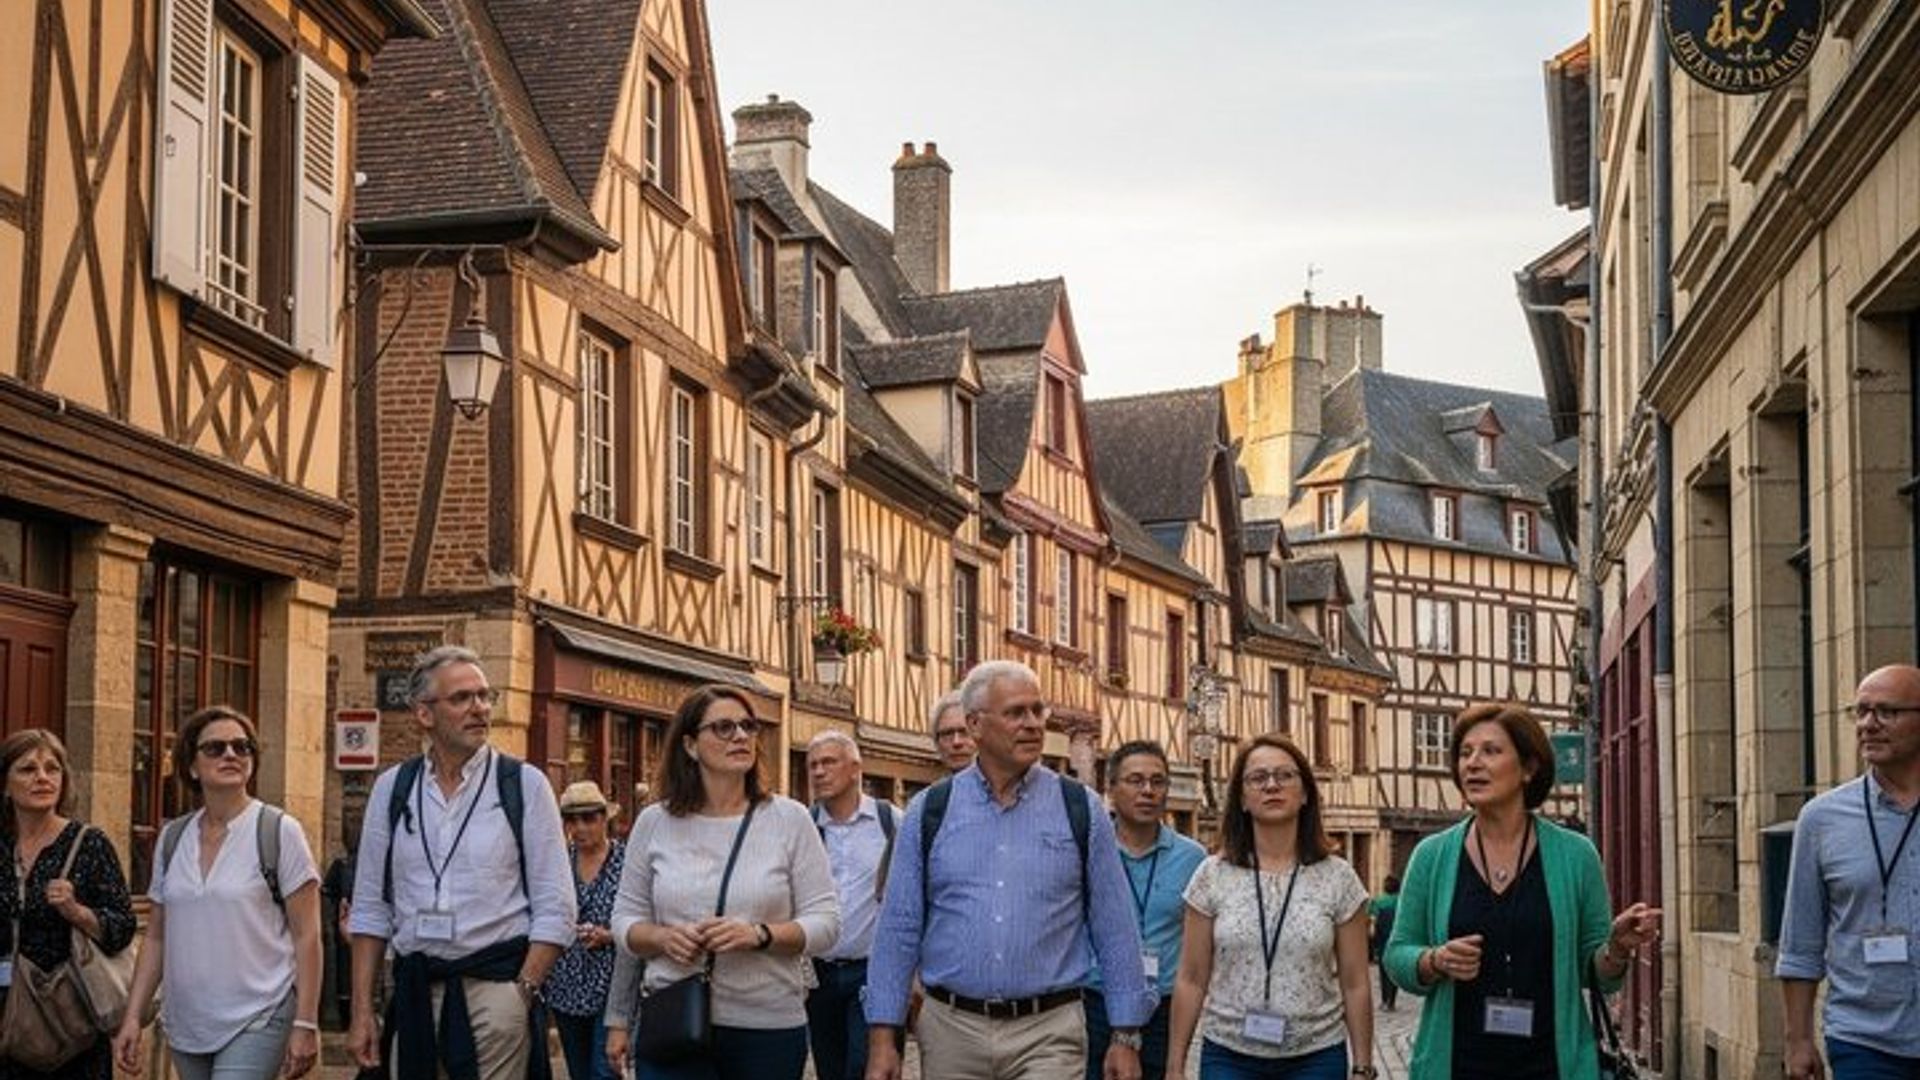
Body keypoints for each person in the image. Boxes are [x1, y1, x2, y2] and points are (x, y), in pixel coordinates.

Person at [864, 659, 1155, 1080]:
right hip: (951, 1031)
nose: (1033, 724)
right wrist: (882, 1040)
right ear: (975, 724)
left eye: (1038, 711)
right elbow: (898, 928)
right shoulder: (929, 811)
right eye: (1016, 713)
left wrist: (1125, 1036)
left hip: (1049, 1031)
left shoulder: (1080, 808)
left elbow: (1115, 927)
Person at [1384, 703, 1661, 1080]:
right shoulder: (1431, 856)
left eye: (1491, 751)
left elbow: (1599, 976)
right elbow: (1397, 956)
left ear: (1529, 768)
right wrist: (1434, 960)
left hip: (1552, 1065)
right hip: (1457, 1065)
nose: (1472, 763)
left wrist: (1617, 947)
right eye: (1465, 753)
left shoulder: (1576, 856)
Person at [346, 645, 578, 1079]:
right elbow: (370, 907)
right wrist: (362, 1011)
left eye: (484, 696)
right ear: (424, 714)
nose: (479, 709)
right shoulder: (392, 788)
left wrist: (521, 993)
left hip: (495, 992)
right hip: (414, 990)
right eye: (461, 698)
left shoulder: (523, 785)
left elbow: (557, 906)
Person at [611, 685, 839, 1080]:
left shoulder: (790, 819)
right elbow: (624, 919)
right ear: (690, 745)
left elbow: (827, 923)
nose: (740, 736)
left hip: (767, 1029)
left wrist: (759, 935)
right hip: (675, 1019)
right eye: (723, 727)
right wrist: (663, 939)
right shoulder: (655, 822)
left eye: (747, 727)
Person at [112, 705, 325, 1080]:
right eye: (215, 748)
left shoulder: (278, 831)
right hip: (187, 1020)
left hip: (260, 1012)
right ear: (192, 766)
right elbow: (158, 938)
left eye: (241, 747)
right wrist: (133, 1016)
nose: (230, 754)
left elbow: (308, 935)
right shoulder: (172, 838)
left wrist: (306, 1023)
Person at [1165, 734, 1374, 1080]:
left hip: (1315, 1055)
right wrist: (1175, 1067)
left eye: (1285, 776)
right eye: (1258, 778)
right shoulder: (1212, 875)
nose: (1272, 785)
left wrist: (1364, 1066)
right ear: (1243, 799)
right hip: (1229, 1054)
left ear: (1305, 793)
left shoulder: (1338, 878)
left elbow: (1355, 981)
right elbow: (1191, 977)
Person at [1778, 663, 1920, 1080]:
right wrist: (1798, 1040)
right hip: (1864, 1041)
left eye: (1886, 712)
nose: (1868, 725)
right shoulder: (1821, 819)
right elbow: (1801, 941)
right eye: (1860, 712)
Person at [0, 728, 137, 1080]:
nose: (42, 778)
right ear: (6, 783)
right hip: (4, 1021)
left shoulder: (88, 844)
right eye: (28, 769)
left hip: (69, 1023)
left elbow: (122, 927)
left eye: (52, 768)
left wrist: (77, 912)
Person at [1085, 741, 1203, 1080]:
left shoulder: (1192, 859)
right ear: (1110, 789)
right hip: (1095, 1004)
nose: (1148, 791)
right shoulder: (1086, 852)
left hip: (1165, 1011)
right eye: (1135, 781)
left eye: (1158, 781)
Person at [804, 731, 898, 1080]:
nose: (818, 771)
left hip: (872, 971)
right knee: (829, 1067)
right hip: (819, 974)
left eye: (829, 762)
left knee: (865, 1066)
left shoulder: (891, 823)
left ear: (856, 768)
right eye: (812, 764)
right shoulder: (805, 828)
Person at [546, 782, 626, 1080]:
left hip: (612, 984)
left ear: (604, 819)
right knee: (579, 1071)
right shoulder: (557, 862)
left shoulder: (626, 862)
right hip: (566, 983)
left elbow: (644, 919)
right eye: (571, 820)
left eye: (588, 819)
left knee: (604, 1071)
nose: (580, 828)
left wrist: (609, 935)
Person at [323, 812, 362, 1029]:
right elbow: (328, 893)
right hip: (343, 926)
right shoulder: (341, 865)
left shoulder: (369, 863)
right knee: (344, 974)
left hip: (365, 927)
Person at [1369, 877, 1401, 1012]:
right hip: (1397, 940)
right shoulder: (1402, 901)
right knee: (1395, 971)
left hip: (1383, 941)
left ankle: (1384, 1000)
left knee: (1383, 971)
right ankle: (1392, 1001)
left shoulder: (1378, 902)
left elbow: (1372, 918)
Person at [930, 691, 976, 773]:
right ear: (936, 742)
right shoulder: (939, 786)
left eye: (965, 732)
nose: (956, 742)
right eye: (947, 734)